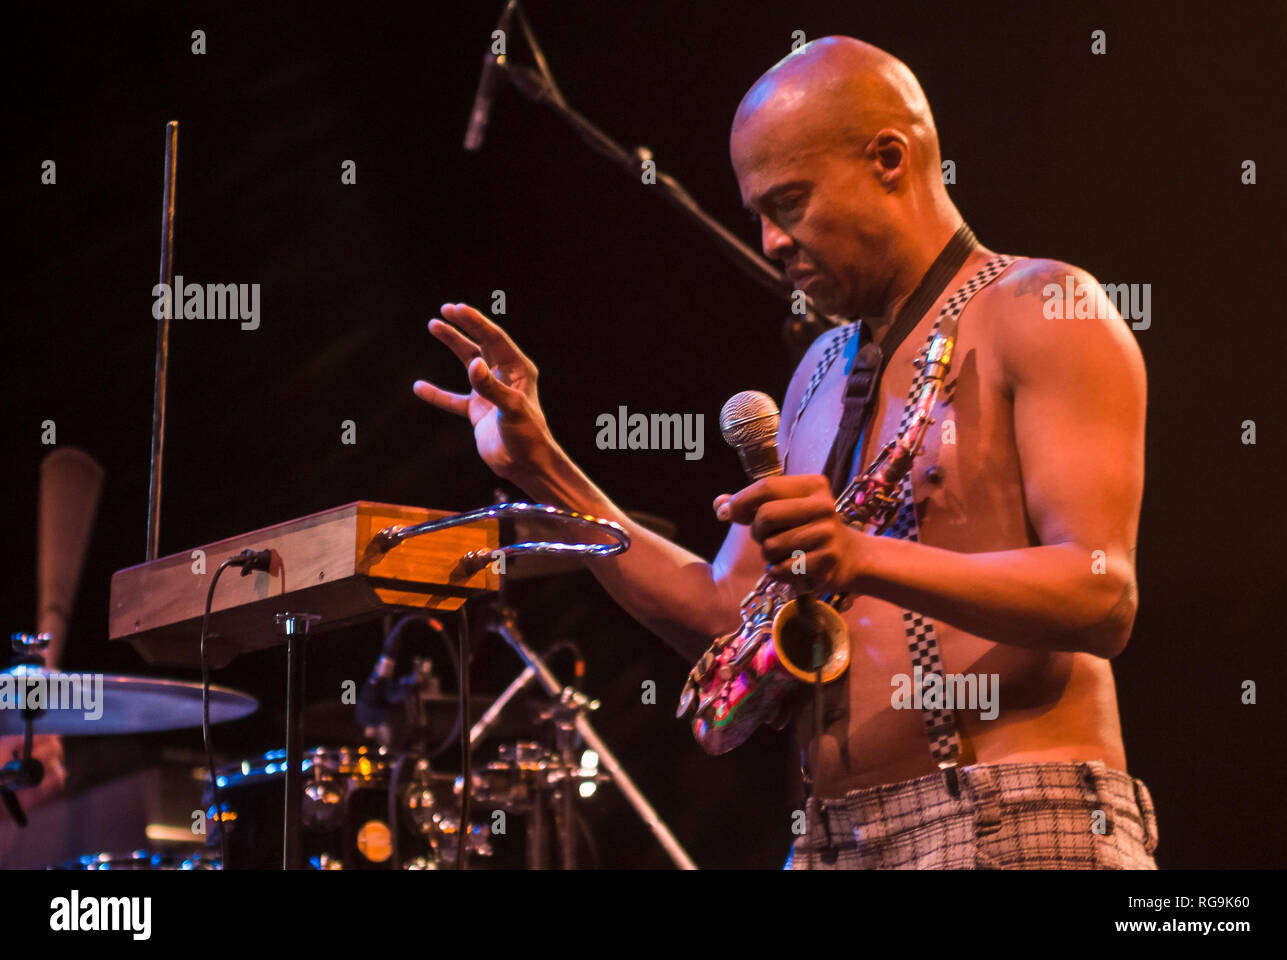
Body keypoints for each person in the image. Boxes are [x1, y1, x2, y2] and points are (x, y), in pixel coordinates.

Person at [414, 36, 1157, 869]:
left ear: (889, 159)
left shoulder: (1042, 307)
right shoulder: (816, 374)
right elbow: (726, 613)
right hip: (833, 839)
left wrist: (858, 555)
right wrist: (541, 467)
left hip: (1013, 817)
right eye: (758, 216)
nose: (770, 242)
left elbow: (1103, 593)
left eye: (790, 202)